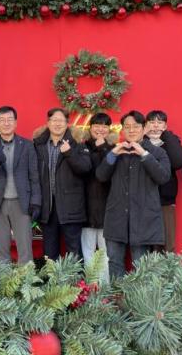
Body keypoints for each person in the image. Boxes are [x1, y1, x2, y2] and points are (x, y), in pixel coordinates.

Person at [96, 110, 170, 278]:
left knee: (141, 264)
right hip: (116, 217)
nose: (131, 130)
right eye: (127, 127)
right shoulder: (116, 151)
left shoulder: (157, 152)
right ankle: (116, 294)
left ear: (144, 128)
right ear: (122, 130)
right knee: (114, 262)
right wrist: (112, 155)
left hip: (143, 218)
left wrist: (144, 154)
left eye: (136, 126)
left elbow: (163, 177)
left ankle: (140, 296)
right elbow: (101, 176)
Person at [0, 106, 41, 265]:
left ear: (15, 122)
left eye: (9, 119)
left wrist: (36, 201)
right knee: (1, 249)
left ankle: (26, 280)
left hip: (21, 202)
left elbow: (34, 176)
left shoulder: (27, 145)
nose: (6, 123)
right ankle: (4, 281)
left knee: (25, 249)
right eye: (2, 120)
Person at [33, 108, 92, 260]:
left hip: (71, 206)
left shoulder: (77, 143)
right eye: (54, 120)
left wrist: (69, 153)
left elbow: (85, 168)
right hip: (48, 208)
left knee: (74, 251)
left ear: (67, 124)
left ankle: (75, 277)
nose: (57, 124)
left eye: (61, 120)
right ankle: (52, 276)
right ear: (48, 123)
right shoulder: (38, 145)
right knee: (49, 252)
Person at [145, 110, 182, 253]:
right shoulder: (139, 142)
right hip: (142, 199)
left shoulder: (170, 141)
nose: (155, 126)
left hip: (165, 199)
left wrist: (167, 136)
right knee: (145, 243)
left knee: (167, 242)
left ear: (165, 126)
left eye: (160, 123)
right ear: (145, 125)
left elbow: (179, 162)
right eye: (152, 122)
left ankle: (167, 268)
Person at [81, 113, 115, 277]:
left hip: (107, 209)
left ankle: (105, 287)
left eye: (104, 126)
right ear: (90, 128)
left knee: (105, 253)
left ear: (109, 129)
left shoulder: (114, 149)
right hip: (85, 208)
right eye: (96, 125)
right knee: (87, 251)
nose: (100, 129)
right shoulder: (81, 148)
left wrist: (103, 148)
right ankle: (89, 287)